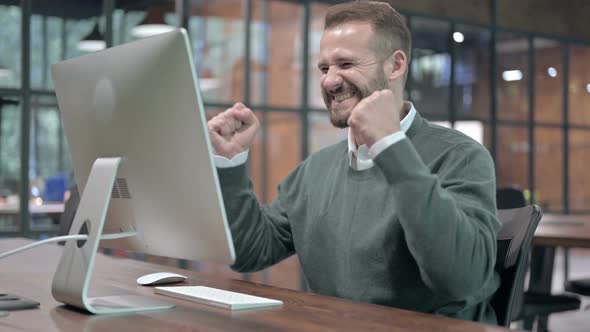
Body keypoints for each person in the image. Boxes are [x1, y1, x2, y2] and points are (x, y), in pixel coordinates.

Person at [207, 1, 500, 324]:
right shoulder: (314, 171)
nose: (330, 81)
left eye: (346, 64)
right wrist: (230, 162)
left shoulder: (461, 156)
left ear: (396, 65)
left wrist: (390, 145)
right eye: (324, 68)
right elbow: (250, 252)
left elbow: (461, 280)